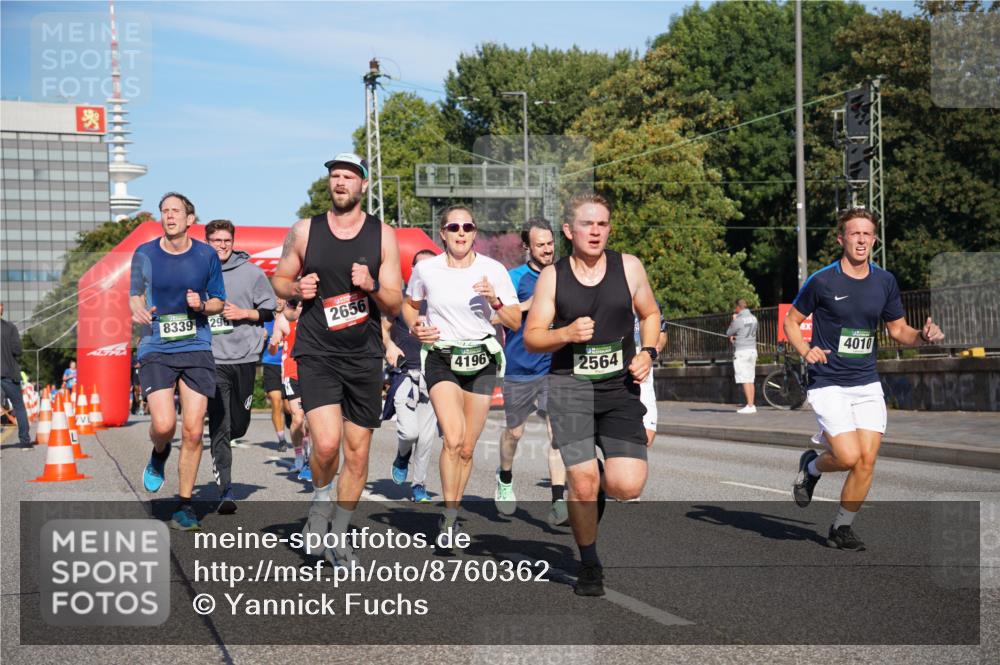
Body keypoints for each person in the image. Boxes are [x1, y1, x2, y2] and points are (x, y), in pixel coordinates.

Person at [524, 192, 661, 596]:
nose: (596, 231)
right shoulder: (554, 276)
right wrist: (565, 333)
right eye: (587, 224)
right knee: (581, 483)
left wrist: (649, 353)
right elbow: (532, 337)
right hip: (570, 389)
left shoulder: (629, 267)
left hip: (619, 389)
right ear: (569, 230)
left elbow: (650, 314)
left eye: (602, 223)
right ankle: (589, 564)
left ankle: (598, 485)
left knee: (626, 486)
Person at [271, 153, 403, 567]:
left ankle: (340, 533)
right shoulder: (305, 230)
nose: (340, 182)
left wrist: (372, 284)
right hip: (317, 350)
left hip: (363, 355)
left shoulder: (383, 235)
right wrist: (296, 288)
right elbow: (278, 278)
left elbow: (395, 302)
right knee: (326, 444)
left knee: (358, 453)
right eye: (334, 176)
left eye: (348, 176)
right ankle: (320, 503)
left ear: (363, 185)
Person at [787, 208, 944, 551]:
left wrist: (923, 337)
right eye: (854, 233)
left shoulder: (884, 281)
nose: (861, 240)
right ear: (841, 238)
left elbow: (899, 330)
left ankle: (841, 528)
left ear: (874, 239)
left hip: (866, 381)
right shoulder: (823, 280)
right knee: (846, 456)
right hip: (827, 380)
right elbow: (790, 321)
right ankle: (812, 467)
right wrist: (806, 350)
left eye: (867, 234)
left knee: (867, 460)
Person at [404, 205, 521, 539]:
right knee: (452, 439)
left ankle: (452, 514)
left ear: (474, 232)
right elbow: (409, 306)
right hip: (441, 355)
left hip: (481, 358)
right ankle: (449, 514)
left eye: (467, 227)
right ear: (442, 232)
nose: (460, 233)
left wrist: (494, 301)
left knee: (467, 448)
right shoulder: (427, 270)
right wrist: (415, 327)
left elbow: (515, 322)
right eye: (453, 227)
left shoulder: (493, 270)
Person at [130, 192, 226, 531]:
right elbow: (134, 294)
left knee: (193, 430)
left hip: (196, 344)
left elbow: (219, 302)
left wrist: (202, 304)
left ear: (190, 219)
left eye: (176, 211)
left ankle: (185, 505)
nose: (169, 216)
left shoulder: (206, 255)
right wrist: (136, 308)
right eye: (164, 211)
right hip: (156, 344)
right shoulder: (144, 254)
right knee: (165, 425)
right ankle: (159, 454)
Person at [494, 218, 569, 524]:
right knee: (515, 431)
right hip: (521, 366)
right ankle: (505, 477)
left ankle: (558, 500)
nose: (547, 249)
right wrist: (530, 304)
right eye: (540, 245)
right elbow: (498, 317)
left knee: (557, 435)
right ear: (527, 247)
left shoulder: (564, 274)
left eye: (550, 243)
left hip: (555, 365)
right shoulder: (514, 277)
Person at [204, 219, 277, 515]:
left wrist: (244, 313)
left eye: (226, 240)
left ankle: (228, 437)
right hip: (212, 358)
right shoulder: (198, 272)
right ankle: (226, 489)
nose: (222, 245)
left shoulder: (252, 273)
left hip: (245, 357)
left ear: (233, 242)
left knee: (239, 424)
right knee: (220, 425)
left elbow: (270, 309)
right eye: (216, 241)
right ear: (206, 242)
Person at [384, 249, 439, 503]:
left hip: (434, 375)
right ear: (413, 271)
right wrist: (389, 345)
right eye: (421, 267)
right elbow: (381, 328)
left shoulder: (444, 300)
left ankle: (419, 485)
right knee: (409, 432)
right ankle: (402, 456)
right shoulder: (399, 300)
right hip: (406, 374)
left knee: (427, 438)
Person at [269, 300, 310, 477]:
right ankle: (299, 457)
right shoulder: (284, 319)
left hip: (312, 371)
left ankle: (311, 457)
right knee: (298, 418)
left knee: (312, 419)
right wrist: (273, 343)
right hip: (292, 373)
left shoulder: (313, 315)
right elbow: (272, 351)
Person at [634, 304, 668, 446]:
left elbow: (662, 332)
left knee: (647, 438)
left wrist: (656, 345)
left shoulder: (649, 301)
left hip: (642, 357)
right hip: (614, 361)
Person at [1, 303, 32, 449]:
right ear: (2, 309)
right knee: (19, 406)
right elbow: (18, 351)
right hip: (9, 373)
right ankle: (25, 442)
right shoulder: (10, 328)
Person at [261, 299, 289, 451]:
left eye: (281, 298)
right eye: (276, 297)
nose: (278, 300)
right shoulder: (267, 320)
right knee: (276, 401)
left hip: (289, 365)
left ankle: (290, 418)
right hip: (271, 364)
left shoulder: (291, 318)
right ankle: (282, 440)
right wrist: (262, 336)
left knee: (288, 407)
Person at [727, 298, 759, 414]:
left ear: (738, 307)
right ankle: (752, 404)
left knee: (745, 378)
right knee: (750, 378)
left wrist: (733, 320)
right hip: (752, 350)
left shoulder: (739, 319)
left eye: (735, 308)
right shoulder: (754, 318)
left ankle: (750, 405)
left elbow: (729, 332)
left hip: (742, 351)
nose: (735, 310)